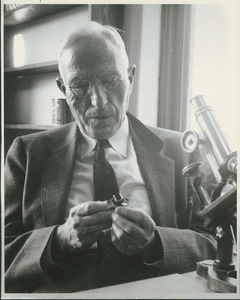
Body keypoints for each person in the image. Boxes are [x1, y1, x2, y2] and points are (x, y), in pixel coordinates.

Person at [5, 21, 217, 293]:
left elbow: (216, 243)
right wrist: (60, 239)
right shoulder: (26, 153)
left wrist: (156, 243)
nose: (98, 102)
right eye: (80, 86)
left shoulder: (181, 150)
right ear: (62, 88)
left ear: (130, 78)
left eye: (110, 81)